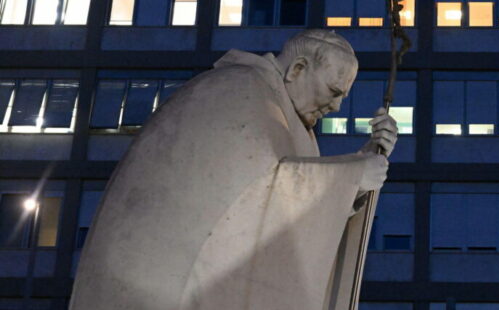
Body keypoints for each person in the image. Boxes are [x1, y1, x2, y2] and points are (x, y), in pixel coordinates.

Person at [70, 29, 398, 310]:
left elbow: (287, 213)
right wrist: (351, 174)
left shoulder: (294, 123)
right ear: (298, 69)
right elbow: (256, 191)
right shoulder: (239, 88)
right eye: (334, 91)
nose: (337, 106)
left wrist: (361, 167)